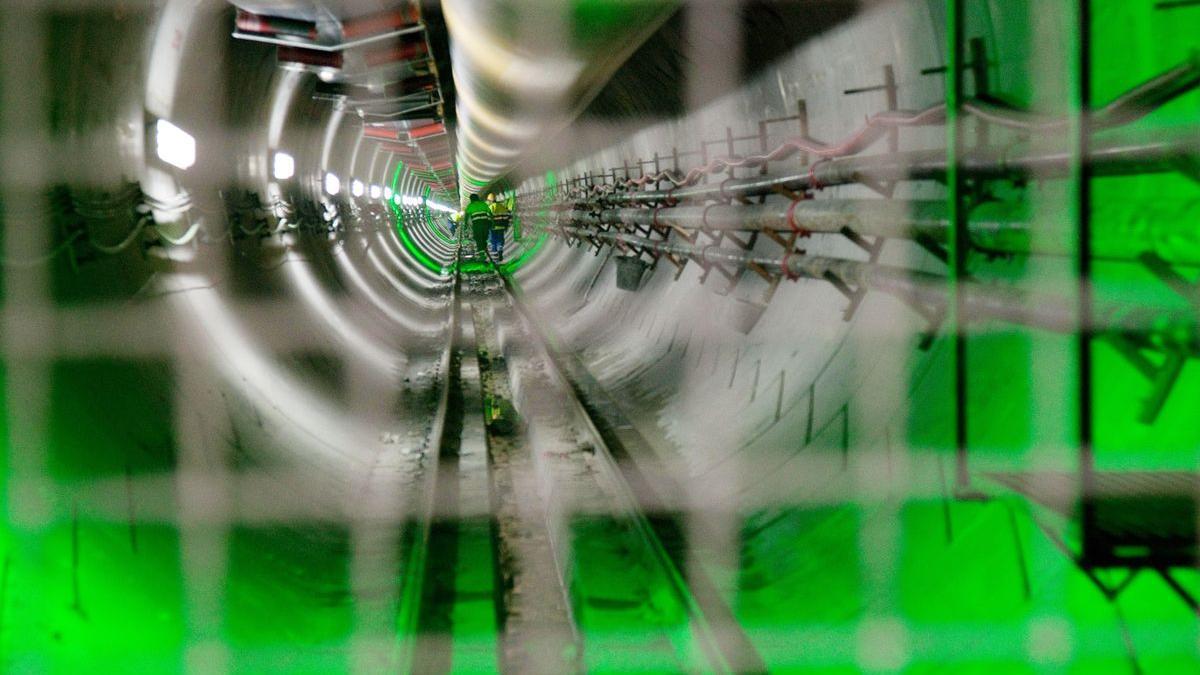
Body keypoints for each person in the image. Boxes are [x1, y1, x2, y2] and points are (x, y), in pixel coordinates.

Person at [463, 193, 493, 257]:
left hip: (477, 224)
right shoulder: (484, 204)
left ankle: (481, 253)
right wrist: (493, 222)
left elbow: (466, 217)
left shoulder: (470, 206)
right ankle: (484, 248)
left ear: (471, 199)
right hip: (485, 223)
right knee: (484, 237)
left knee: (478, 237)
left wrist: (465, 225)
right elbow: (490, 214)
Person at [488, 193, 512, 261]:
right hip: (501, 227)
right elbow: (507, 216)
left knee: (493, 240)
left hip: (493, 228)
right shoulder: (502, 206)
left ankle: (495, 253)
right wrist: (506, 226)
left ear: (490, 200)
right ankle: (500, 250)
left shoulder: (490, 207)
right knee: (500, 240)